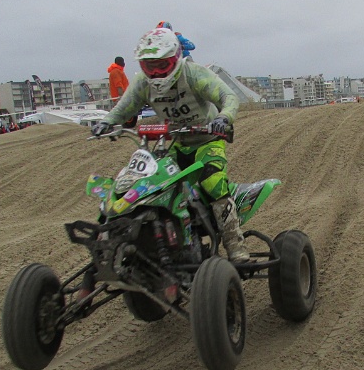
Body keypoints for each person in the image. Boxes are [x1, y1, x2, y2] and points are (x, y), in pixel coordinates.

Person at [91, 27, 249, 261]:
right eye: (148, 66)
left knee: (213, 182)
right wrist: (106, 122)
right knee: (147, 185)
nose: (155, 73)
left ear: (175, 59)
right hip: (174, 143)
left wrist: (223, 118)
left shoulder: (193, 74)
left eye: (161, 65)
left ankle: (235, 246)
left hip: (207, 141)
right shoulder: (142, 83)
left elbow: (228, 97)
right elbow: (124, 107)